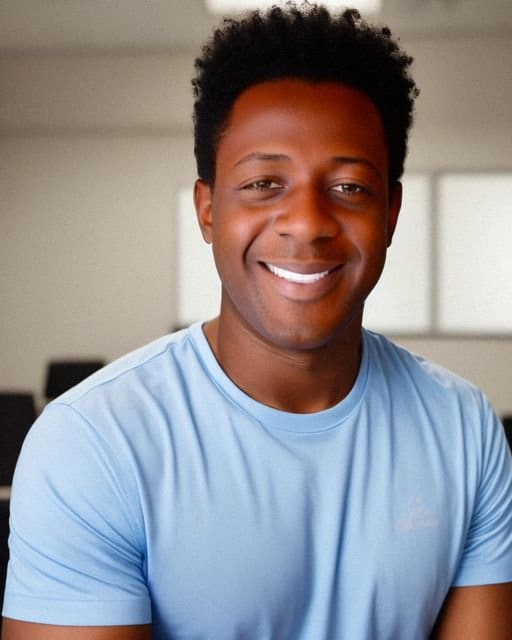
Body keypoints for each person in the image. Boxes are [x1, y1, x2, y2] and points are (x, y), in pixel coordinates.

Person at [2, 3, 512, 639]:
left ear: (391, 214)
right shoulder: (93, 444)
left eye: (350, 187)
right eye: (265, 182)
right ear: (209, 210)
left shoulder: (464, 430)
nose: (307, 221)